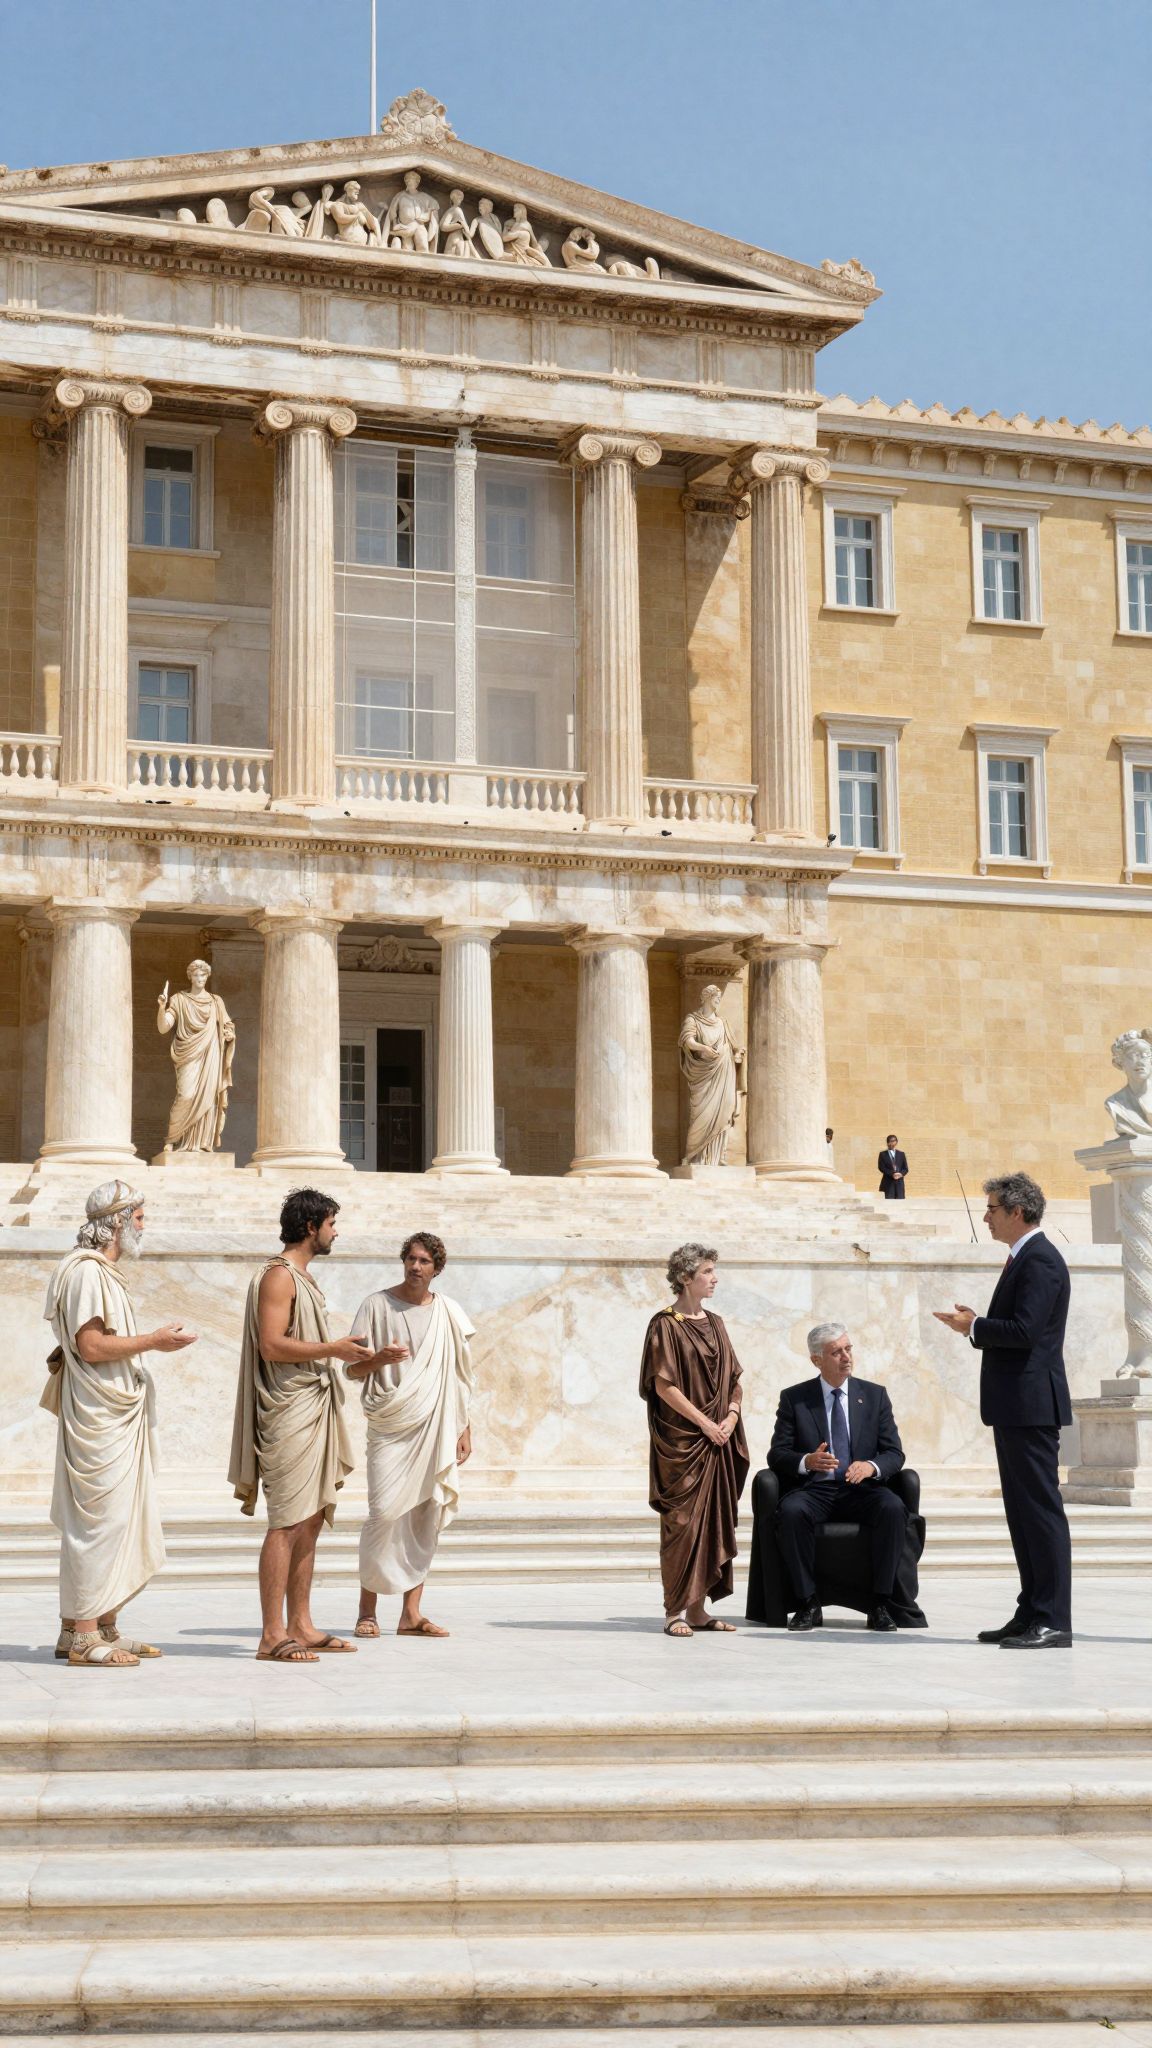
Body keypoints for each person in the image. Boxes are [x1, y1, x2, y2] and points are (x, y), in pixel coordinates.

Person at [43, 1181, 197, 1668]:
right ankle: (86, 1637)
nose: (143, 1227)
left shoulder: (102, 1273)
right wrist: (152, 1340)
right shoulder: (87, 1273)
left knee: (115, 1520)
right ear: (116, 1222)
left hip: (111, 1411)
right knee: (100, 1524)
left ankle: (96, 1625)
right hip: (99, 1418)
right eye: (139, 1218)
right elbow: (90, 1346)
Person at [229, 1187, 372, 1664]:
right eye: (331, 1223)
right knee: (286, 1522)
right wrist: (333, 1349)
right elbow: (272, 1345)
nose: (336, 1231)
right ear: (311, 1226)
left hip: (313, 1405)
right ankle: (272, 1633)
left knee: (310, 1518)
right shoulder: (278, 1276)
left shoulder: (305, 1279)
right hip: (288, 1411)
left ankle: (301, 1624)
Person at [934, 1171, 1073, 1648]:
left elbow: (1025, 1331)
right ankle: (1032, 1609)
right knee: (1022, 1512)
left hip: (1032, 1405)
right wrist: (976, 1326)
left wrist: (974, 1327)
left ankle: (1052, 1617)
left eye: (992, 1209)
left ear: (1017, 1211)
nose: (987, 1217)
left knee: (1039, 1511)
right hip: (1016, 1405)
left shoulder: (1041, 1260)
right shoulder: (1024, 1258)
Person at [345, 1231, 475, 1639]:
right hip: (390, 1422)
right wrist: (379, 1359)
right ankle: (367, 1611)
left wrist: (464, 1426)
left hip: (435, 1424)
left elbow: (460, 1376)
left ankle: (411, 1614)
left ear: (437, 1268)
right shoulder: (376, 1305)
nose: (415, 1267)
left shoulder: (449, 1312)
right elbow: (350, 1370)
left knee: (425, 1514)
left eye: (424, 1261)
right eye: (411, 1259)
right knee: (383, 1514)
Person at [639, 1243, 748, 1637]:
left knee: (713, 1523)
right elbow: (664, 1385)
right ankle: (675, 1610)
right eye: (707, 1271)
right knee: (682, 1524)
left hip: (719, 1437)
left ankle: (699, 1611)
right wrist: (705, 1423)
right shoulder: (665, 1324)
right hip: (684, 1442)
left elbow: (735, 1378)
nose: (714, 1278)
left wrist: (731, 1417)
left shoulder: (716, 1323)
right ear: (686, 1278)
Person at [769, 1324, 909, 1633]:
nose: (846, 1357)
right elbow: (777, 1454)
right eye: (837, 1352)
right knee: (792, 1512)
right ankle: (808, 1603)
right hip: (816, 1488)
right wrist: (807, 1460)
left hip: (861, 1489)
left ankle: (881, 1604)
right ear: (816, 1360)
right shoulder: (795, 1398)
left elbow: (894, 1453)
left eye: (848, 1349)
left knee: (893, 1508)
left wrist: (871, 1466)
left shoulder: (874, 1395)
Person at [878, 1134, 909, 1199]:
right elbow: (881, 1167)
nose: (891, 1143)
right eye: (889, 1141)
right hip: (888, 1182)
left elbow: (905, 1168)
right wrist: (892, 1174)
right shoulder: (883, 1154)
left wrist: (900, 1174)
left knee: (900, 1202)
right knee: (888, 1201)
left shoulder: (901, 1154)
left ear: (896, 1142)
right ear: (887, 1143)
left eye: (893, 1141)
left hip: (899, 1183)